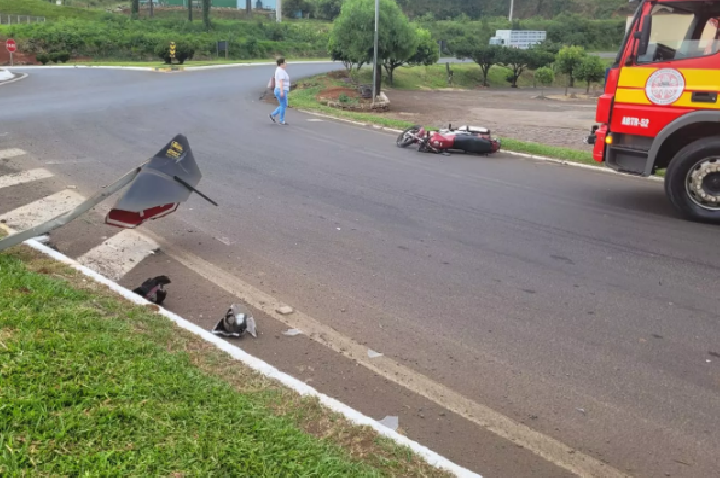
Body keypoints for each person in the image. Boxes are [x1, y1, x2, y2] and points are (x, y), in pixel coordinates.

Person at [269, 58, 290, 125]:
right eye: (285, 63)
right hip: (281, 89)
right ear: (281, 64)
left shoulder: (279, 70)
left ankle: (273, 114)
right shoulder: (280, 71)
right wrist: (281, 91)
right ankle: (281, 120)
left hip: (280, 89)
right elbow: (281, 82)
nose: (286, 64)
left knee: (283, 105)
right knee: (283, 106)